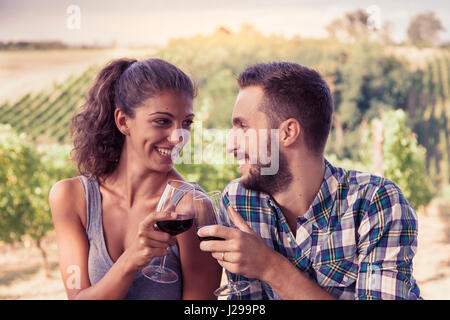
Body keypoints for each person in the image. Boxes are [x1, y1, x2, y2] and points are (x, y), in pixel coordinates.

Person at [197, 62, 422, 300]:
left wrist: (270, 267)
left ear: (287, 133)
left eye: (244, 127)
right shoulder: (239, 201)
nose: (230, 145)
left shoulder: (375, 202)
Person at [49, 58, 222, 299]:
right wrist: (132, 259)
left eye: (186, 123)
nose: (178, 137)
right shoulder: (71, 198)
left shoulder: (192, 208)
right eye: (162, 121)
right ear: (123, 121)